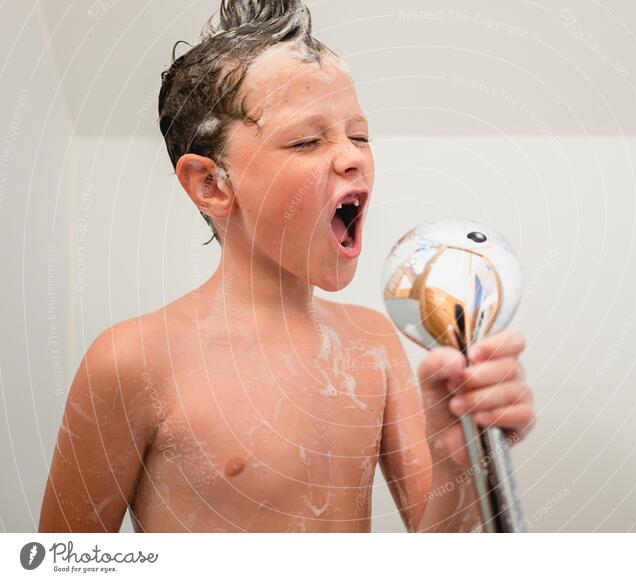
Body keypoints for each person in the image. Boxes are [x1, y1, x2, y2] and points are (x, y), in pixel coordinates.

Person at [39, 0, 535, 533]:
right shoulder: (133, 362)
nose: (352, 157)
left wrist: (460, 452)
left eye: (360, 134)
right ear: (212, 185)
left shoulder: (372, 345)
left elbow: (440, 548)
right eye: (306, 140)